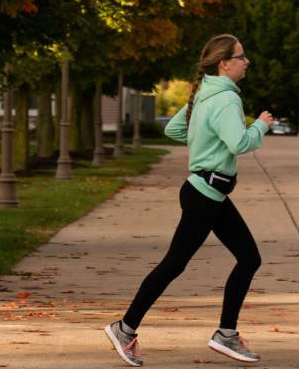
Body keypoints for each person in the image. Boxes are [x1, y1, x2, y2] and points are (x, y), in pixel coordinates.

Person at [105, 34, 274, 365]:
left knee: (244, 258)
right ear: (224, 63)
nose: (246, 62)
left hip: (206, 191)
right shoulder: (226, 99)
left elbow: (174, 131)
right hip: (205, 195)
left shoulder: (205, 92)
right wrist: (261, 126)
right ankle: (125, 328)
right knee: (177, 263)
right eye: (241, 57)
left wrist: (203, 144)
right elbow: (240, 144)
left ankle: (225, 333)